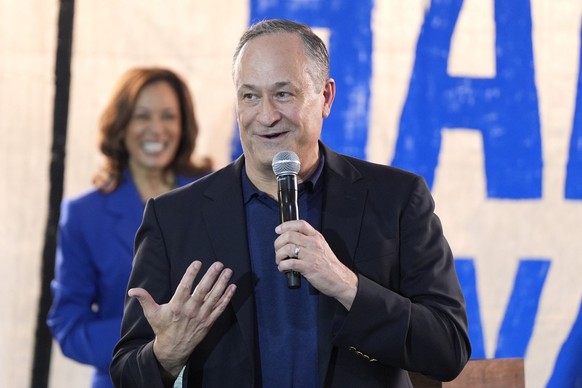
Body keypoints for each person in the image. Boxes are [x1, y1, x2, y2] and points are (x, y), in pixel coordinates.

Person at [110, 19, 471, 388]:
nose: (266, 116)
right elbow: (126, 375)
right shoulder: (174, 217)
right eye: (250, 96)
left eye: (283, 94)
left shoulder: (395, 198)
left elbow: (448, 348)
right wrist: (166, 355)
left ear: (326, 97)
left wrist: (347, 285)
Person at [47, 67, 211, 388]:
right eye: (142, 116)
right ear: (121, 125)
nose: (156, 129)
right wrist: (151, 345)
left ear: (183, 125)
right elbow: (69, 325)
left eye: (168, 116)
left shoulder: (212, 197)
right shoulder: (83, 214)